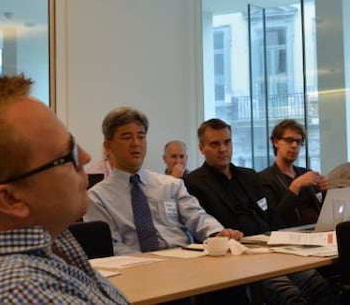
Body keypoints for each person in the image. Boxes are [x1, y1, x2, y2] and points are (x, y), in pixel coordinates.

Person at [0, 75, 128, 304]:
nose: (85, 156)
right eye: (68, 154)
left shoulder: (49, 242)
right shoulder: (22, 293)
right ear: (10, 199)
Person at [184, 119, 334, 305]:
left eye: (227, 142)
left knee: (318, 285)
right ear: (201, 148)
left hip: (270, 246)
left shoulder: (249, 176)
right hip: (237, 255)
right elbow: (202, 226)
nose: (223, 149)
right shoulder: (194, 182)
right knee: (288, 295)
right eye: (215, 144)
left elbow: (270, 215)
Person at [84, 107, 243, 254]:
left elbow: (196, 216)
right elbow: (110, 246)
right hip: (135, 269)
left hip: (183, 261)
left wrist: (216, 232)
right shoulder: (97, 198)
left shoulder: (170, 185)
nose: (136, 143)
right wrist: (150, 265)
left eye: (141, 136)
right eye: (126, 137)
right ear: (108, 146)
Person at [260, 119, 329, 228]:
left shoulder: (307, 173)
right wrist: (295, 186)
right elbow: (274, 219)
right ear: (276, 142)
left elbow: (322, 209)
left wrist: (325, 191)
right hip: (291, 235)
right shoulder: (264, 179)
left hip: (318, 230)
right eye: (289, 140)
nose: (294, 145)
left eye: (298, 141)